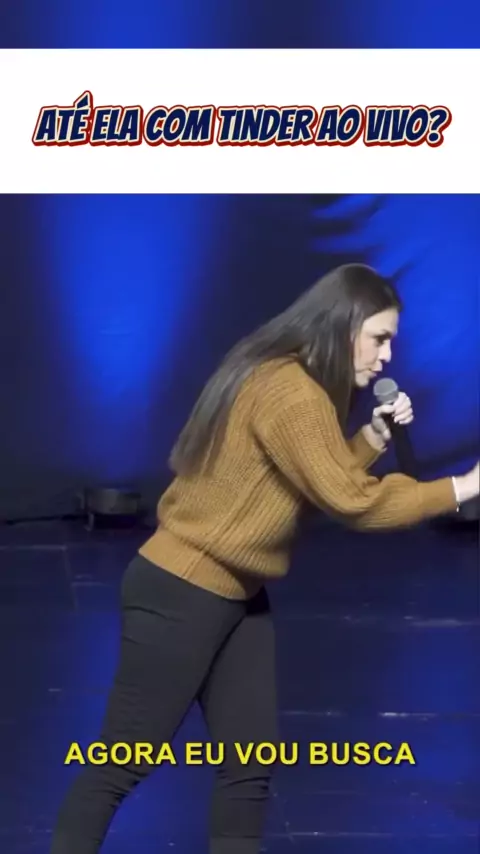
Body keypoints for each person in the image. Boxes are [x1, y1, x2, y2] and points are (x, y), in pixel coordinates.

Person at [50, 263, 479, 854]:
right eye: (380, 338)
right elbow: (353, 503)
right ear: (344, 325)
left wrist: (372, 439)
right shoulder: (292, 392)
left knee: (249, 763)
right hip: (183, 590)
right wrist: (464, 487)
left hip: (238, 594)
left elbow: (311, 482)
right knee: (120, 762)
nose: (387, 356)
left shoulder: (288, 378)